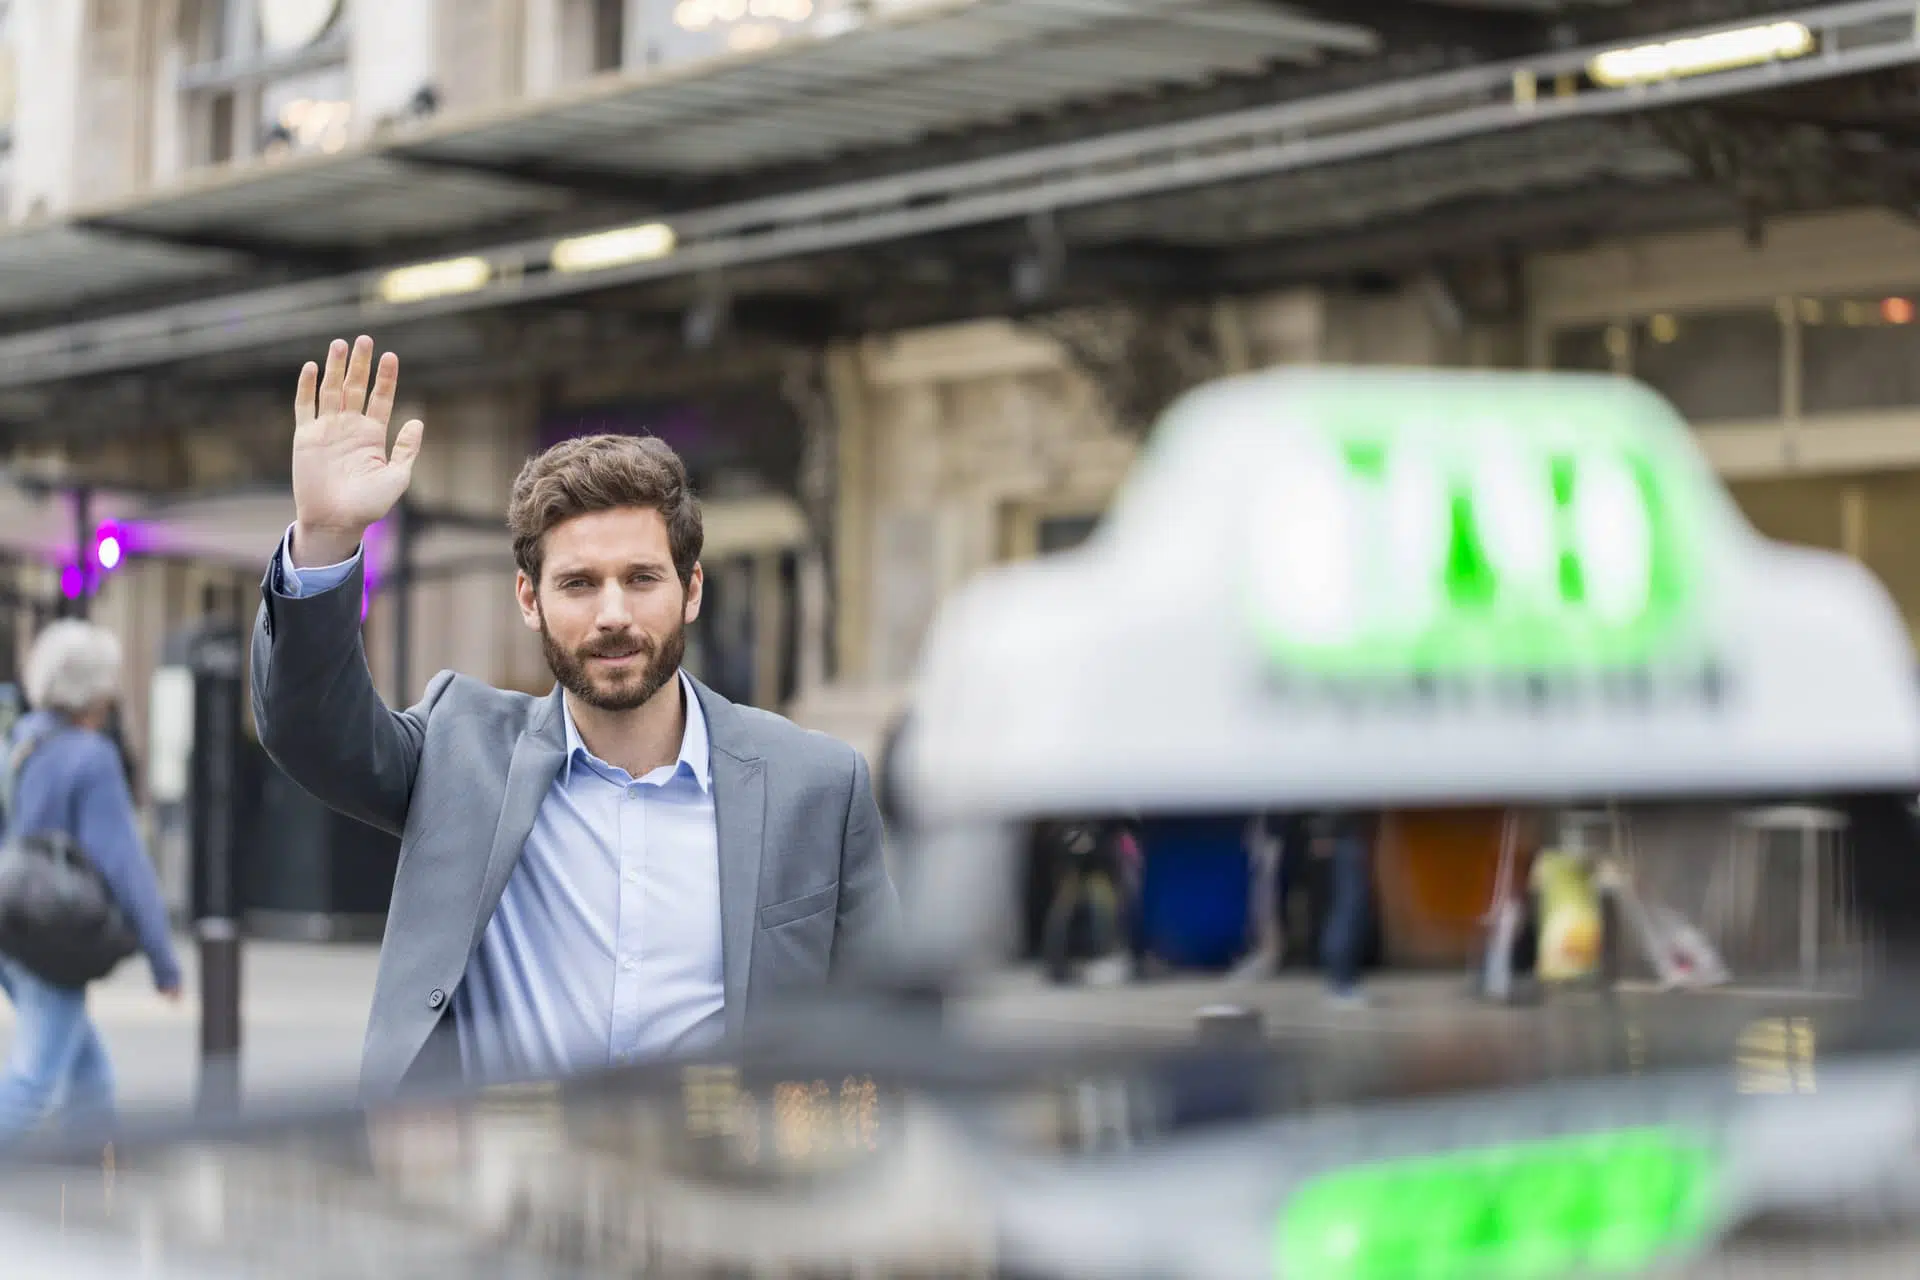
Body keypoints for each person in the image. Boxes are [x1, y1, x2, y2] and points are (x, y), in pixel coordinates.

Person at [252, 336, 899, 1097]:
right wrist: (327, 537)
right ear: (530, 600)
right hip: (502, 1191)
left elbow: (887, 1025)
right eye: (580, 583)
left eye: (642, 578)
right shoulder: (461, 750)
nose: (614, 615)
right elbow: (309, 728)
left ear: (691, 590)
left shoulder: (816, 784)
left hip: (724, 1192)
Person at [0, 620, 181, 1143]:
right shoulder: (92, 758)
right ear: (97, 689)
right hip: (55, 933)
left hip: (14, 927)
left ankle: (95, 1193)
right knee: (32, 1083)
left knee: (90, 1079)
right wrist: (162, 958)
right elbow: (125, 862)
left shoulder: (23, 743)